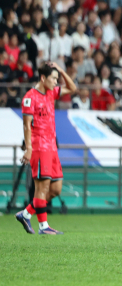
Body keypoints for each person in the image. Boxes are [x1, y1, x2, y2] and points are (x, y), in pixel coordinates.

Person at [15, 62, 77, 235]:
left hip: (52, 147)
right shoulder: (30, 97)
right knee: (41, 189)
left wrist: (61, 70)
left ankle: (26, 214)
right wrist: (28, 149)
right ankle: (44, 227)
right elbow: (27, 126)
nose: (57, 82)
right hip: (39, 146)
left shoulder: (51, 92)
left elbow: (72, 88)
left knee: (56, 189)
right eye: (54, 78)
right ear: (43, 78)